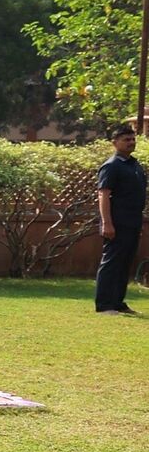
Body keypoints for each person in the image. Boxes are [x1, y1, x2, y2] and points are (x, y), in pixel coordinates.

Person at [96, 123, 144, 315]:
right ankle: (104, 305)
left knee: (125, 263)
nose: (131, 142)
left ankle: (117, 302)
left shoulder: (134, 165)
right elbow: (103, 195)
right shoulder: (111, 166)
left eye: (133, 139)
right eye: (126, 140)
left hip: (132, 223)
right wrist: (107, 223)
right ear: (114, 142)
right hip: (116, 223)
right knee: (111, 263)